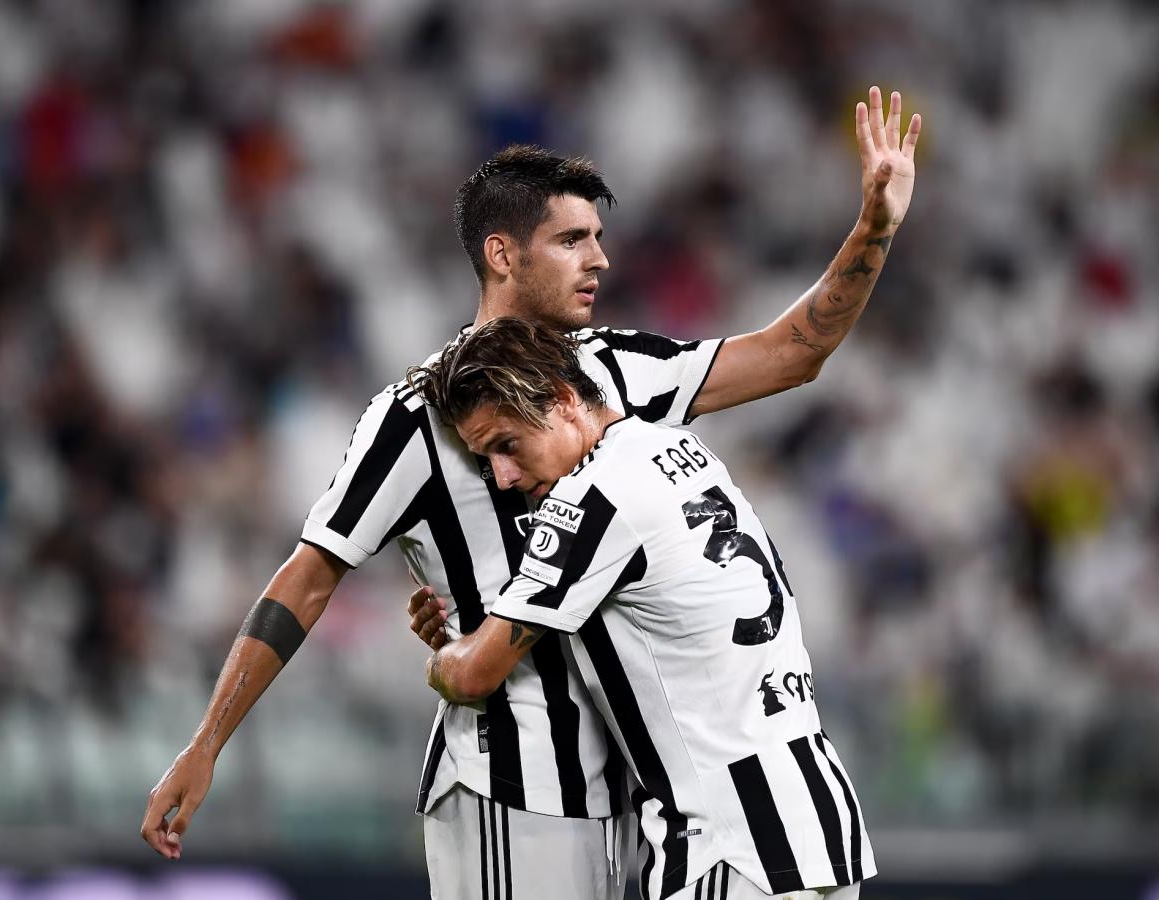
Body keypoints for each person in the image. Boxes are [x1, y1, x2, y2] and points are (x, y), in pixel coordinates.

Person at [141, 87, 920, 900]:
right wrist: (207, 743)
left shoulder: (619, 369)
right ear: (504, 255)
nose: (599, 260)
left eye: (599, 238)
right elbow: (307, 577)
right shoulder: (412, 417)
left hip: (640, 787)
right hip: (515, 783)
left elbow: (792, 353)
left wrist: (873, 227)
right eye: (571, 240)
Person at [411, 317, 874, 900]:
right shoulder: (679, 447)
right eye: (486, 459)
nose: (503, 478)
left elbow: (474, 673)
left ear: (562, 399)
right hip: (819, 817)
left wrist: (443, 654)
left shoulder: (590, 500)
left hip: (730, 844)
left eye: (507, 445)